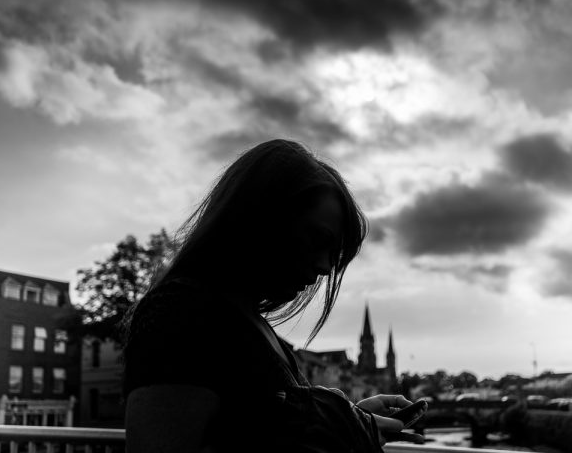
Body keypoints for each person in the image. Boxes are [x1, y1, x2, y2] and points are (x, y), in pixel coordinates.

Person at [122, 139, 418, 452]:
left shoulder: (244, 321)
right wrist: (341, 425)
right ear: (260, 219)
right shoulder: (182, 314)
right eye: (318, 240)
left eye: (334, 255)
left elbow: (261, 428)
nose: (324, 267)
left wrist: (349, 420)